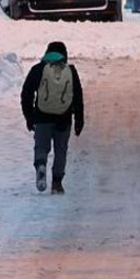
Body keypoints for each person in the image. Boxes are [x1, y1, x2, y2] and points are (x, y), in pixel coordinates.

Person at [21, 42, 85, 194]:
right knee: (61, 150)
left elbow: (26, 93)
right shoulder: (70, 71)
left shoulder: (38, 69)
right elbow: (77, 96)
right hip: (64, 118)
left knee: (41, 147)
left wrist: (29, 117)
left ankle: (41, 164)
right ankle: (57, 183)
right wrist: (79, 120)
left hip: (42, 117)